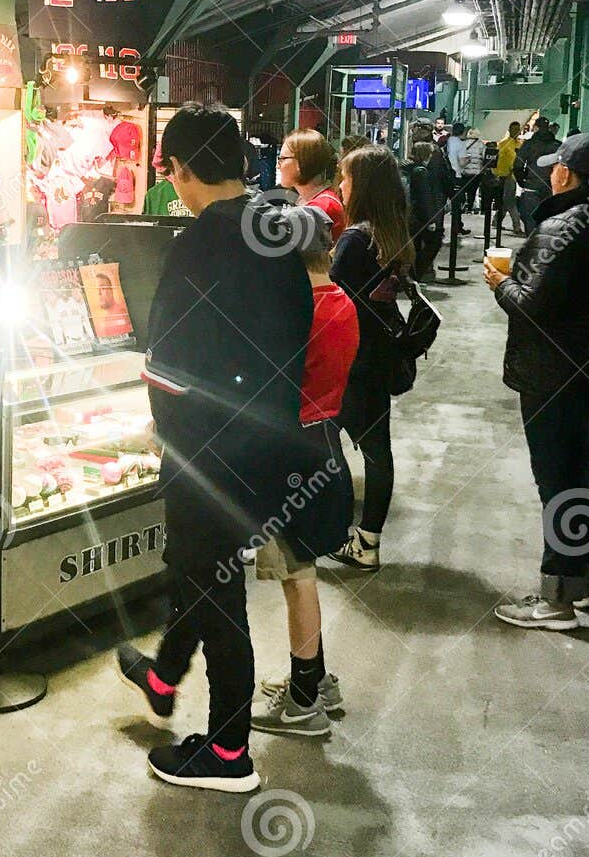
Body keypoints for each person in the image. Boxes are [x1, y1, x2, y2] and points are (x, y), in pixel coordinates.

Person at [116, 104, 314, 792]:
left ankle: (229, 751)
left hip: (206, 454)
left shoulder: (199, 242)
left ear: (177, 169)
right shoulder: (277, 231)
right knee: (206, 576)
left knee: (215, 591)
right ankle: (165, 676)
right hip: (269, 442)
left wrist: (161, 434)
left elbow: (166, 362)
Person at [487, 134, 589, 629]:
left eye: (557, 167)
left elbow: (532, 306)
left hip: (555, 374)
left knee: (556, 482)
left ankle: (555, 600)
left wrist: (501, 282)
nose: (550, 172)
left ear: (568, 175)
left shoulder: (562, 226)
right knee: (580, 477)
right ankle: (579, 581)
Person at [251, 209, 360, 737]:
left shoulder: (299, 312)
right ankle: (317, 678)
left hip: (290, 455)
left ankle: (301, 700)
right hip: (325, 443)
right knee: (304, 571)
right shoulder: (340, 301)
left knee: (297, 577)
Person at [328, 146, 413, 571]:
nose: (341, 186)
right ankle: (367, 541)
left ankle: (331, 532)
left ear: (360, 185)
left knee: (321, 443)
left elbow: (328, 299)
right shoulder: (392, 231)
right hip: (381, 357)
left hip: (349, 361)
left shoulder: (353, 239)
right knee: (378, 452)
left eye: (345, 178)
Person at [278, 128, 346, 237]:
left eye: (282, 159)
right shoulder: (320, 201)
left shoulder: (321, 207)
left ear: (302, 162)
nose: (278, 166)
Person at [405, 140, 446, 282]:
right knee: (434, 243)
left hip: (412, 216)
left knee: (415, 246)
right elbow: (425, 197)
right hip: (420, 217)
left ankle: (412, 274)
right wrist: (432, 219)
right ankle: (414, 274)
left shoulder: (410, 169)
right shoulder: (421, 172)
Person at [514, 119, 560, 232]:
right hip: (551, 188)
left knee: (530, 220)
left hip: (531, 186)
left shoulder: (529, 144)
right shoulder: (558, 145)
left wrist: (522, 181)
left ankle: (531, 245)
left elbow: (518, 165)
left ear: (536, 128)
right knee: (548, 221)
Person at [494, 120, 525, 237]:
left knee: (507, 201)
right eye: (514, 129)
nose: (516, 131)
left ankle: (496, 221)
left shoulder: (520, 145)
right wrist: (499, 174)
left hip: (518, 177)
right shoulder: (503, 144)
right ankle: (516, 226)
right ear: (509, 130)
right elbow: (499, 161)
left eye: (518, 129)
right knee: (511, 202)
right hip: (507, 176)